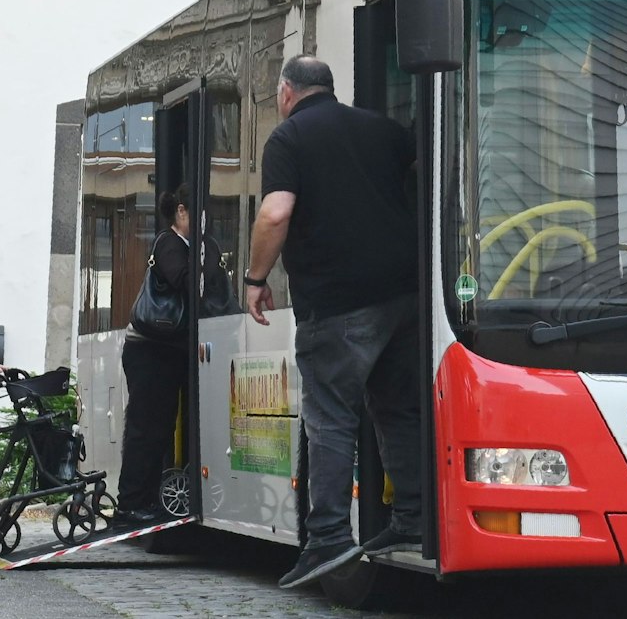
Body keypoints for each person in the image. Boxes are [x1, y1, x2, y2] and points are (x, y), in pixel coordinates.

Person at [245, 54, 422, 589]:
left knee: (330, 418)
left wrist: (256, 278)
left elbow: (275, 213)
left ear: (286, 92)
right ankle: (413, 518)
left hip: (338, 304)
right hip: (404, 298)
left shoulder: (288, 139)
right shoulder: (382, 129)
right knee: (398, 409)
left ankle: (328, 536)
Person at [112, 184, 227, 529]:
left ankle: (149, 500)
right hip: (150, 348)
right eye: (198, 213)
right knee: (145, 427)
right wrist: (208, 259)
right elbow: (187, 281)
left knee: (162, 428)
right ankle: (130, 504)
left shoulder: (202, 246)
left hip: (176, 349)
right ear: (181, 212)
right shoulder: (168, 243)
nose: (205, 221)